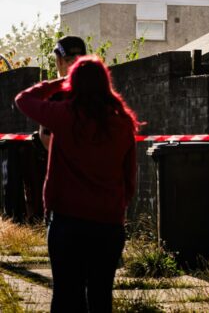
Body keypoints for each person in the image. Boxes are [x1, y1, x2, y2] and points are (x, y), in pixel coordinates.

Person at [15, 55, 138, 313]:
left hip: (67, 221)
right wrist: (118, 208)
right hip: (108, 224)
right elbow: (130, 176)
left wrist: (58, 83)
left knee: (66, 295)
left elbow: (23, 100)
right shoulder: (123, 123)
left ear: (74, 85)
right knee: (101, 296)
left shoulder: (65, 116)